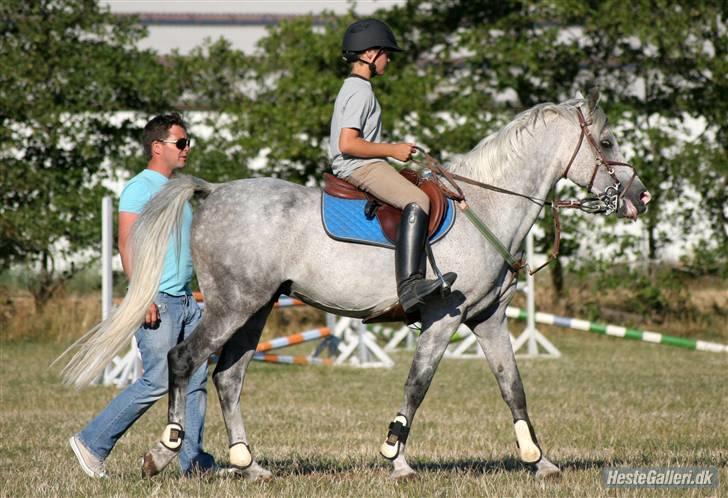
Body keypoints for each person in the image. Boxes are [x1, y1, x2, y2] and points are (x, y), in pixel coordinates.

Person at [69, 113, 216, 477]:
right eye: (180, 143)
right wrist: (142, 295)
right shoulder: (139, 187)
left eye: (187, 142)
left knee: (196, 379)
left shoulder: (178, 189)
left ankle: (193, 462)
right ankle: (91, 443)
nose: (187, 148)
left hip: (184, 301)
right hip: (159, 302)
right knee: (159, 380)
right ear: (157, 147)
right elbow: (126, 241)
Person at [330, 18, 456, 313]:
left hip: (364, 163)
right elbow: (347, 143)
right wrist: (393, 150)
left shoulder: (355, 87)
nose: (388, 60)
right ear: (371, 54)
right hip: (357, 165)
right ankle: (410, 286)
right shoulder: (361, 91)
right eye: (386, 54)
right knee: (418, 198)